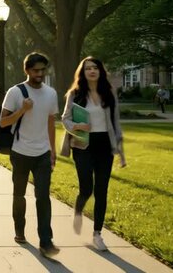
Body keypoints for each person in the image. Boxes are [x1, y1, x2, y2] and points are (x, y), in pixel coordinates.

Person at [61, 57, 126, 251]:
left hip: (105, 146)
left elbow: (116, 122)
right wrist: (78, 125)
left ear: (100, 71)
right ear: (83, 72)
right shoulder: (75, 94)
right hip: (83, 146)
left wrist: (121, 154)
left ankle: (97, 234)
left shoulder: (109, 94)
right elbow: (65, 119)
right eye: (88, 68)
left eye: (95, 68)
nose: (92, 71)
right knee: (86, 188)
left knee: (101, 191)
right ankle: (78, 210)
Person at [0, 52, 60, 257]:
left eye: (43, 70)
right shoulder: (16, 92)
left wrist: (52, 150)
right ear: (27, 70)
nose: (40, 73)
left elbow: (51, 122)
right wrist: (22, 110)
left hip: (42, 153)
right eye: (36, 70)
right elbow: (3, 122)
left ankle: (46, 241)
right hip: (20, 152)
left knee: (43, 197)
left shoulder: (51, 93)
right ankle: (19, 230)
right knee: (19, 194)